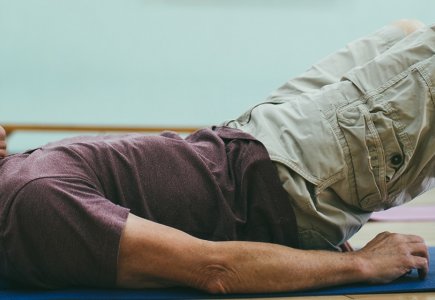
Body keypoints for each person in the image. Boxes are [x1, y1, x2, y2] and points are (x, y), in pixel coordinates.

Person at [0, 19, 432, 294]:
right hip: (289, 180)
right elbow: (214, 268)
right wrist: (360, 265)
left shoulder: (16, 180)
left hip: (247, 140)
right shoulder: (32, 199)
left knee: (406, 32)